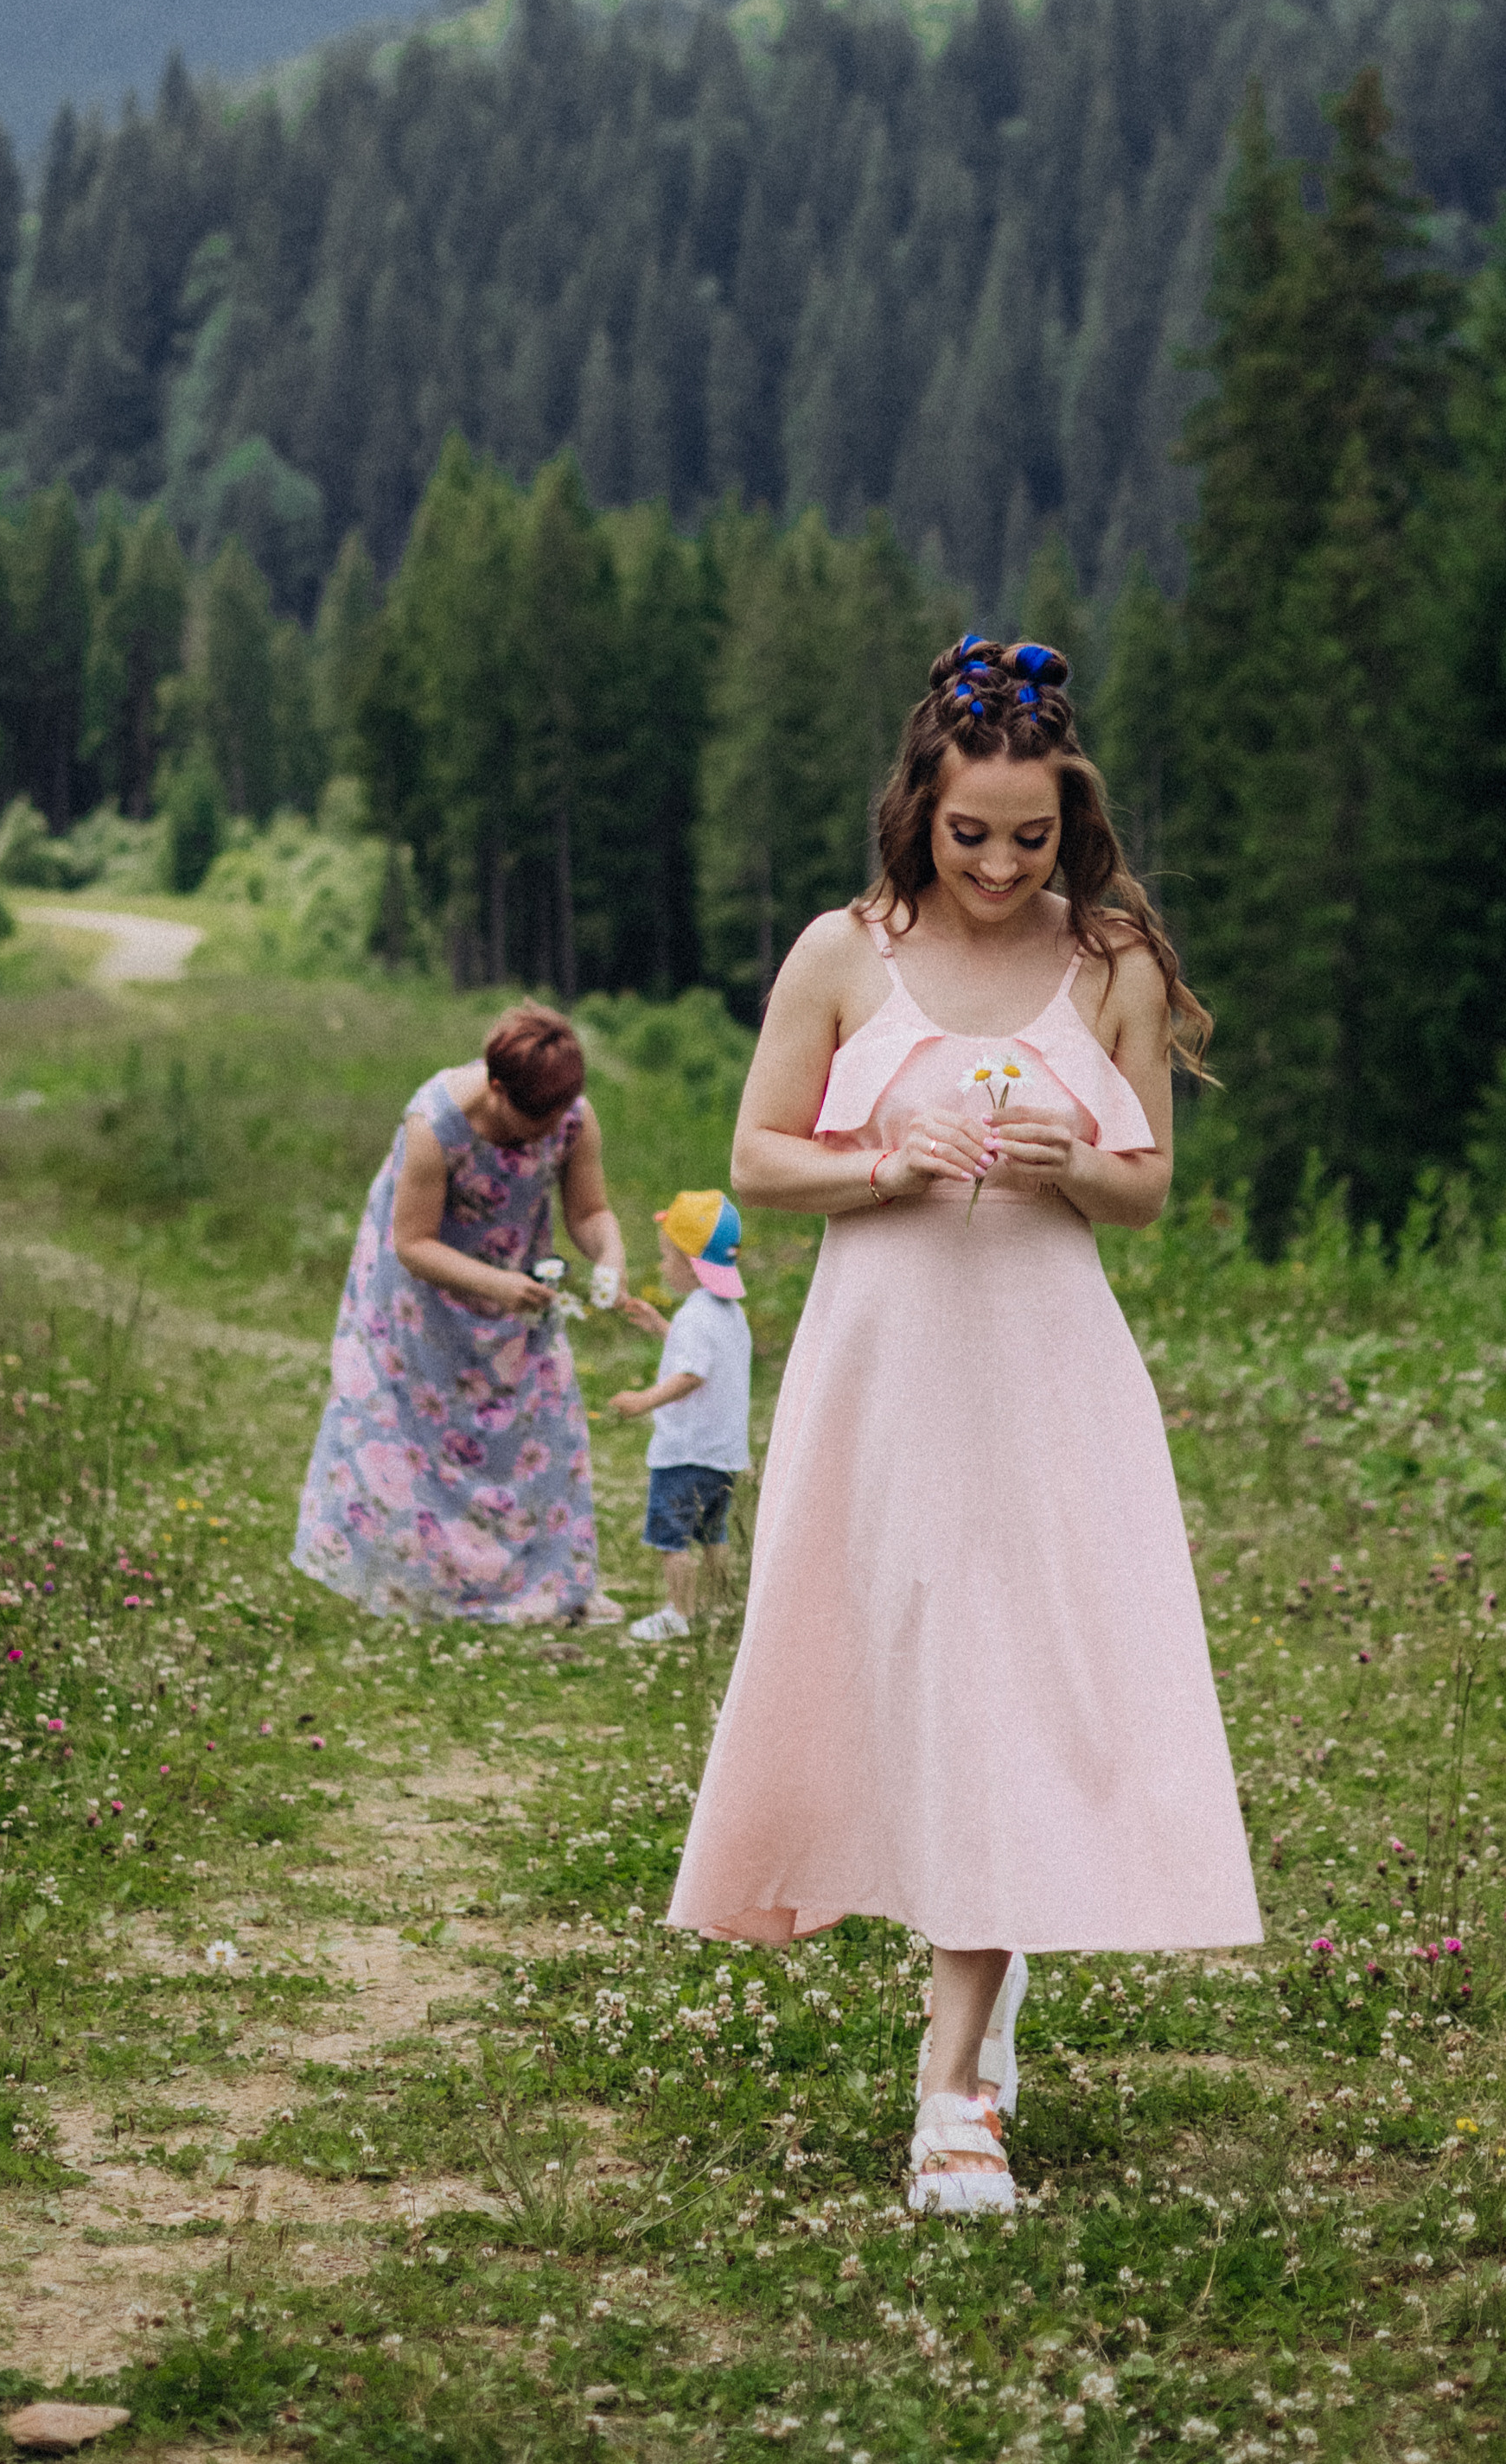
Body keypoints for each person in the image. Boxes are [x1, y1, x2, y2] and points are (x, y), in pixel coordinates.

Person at [667, 634, 1260, 2216]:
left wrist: (1068, 1150)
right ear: (915, 813)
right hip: (885, 1373)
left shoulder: (1111, 963)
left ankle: (953, 2101)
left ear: (1073, 825)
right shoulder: (841, 955)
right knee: (896, 1681)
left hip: (1044, 1376)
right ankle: (964, 2033)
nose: (999, 868)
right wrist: (886, 1155)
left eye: (1031, 839)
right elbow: (755, 1161)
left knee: (1007, 1690)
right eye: (967, 836)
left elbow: (1143, 1196)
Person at [292, 1000, 628, 1627]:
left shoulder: (570, 1118)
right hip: (422, 1298)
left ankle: (553, 1586)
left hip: (515, 1293)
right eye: (534, 1117)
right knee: (419, 1437)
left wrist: (609, 1253)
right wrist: (496, 1284)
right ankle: (428, 1586)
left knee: (544, 1426)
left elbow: (587, 1210)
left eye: (558, 1115)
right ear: (496, 1086)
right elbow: (412, 1241)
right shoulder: (435, 1124)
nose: (547, 1130)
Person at [610, 1190, 754, 1644]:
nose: (662, 1266)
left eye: (667, 1257)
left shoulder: (697, 1317)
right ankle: (721, 1602)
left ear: (690, 1262)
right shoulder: (727, 1313)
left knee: (671, 1539)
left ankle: (680, 1612)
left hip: (685, 1453)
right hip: (722, 1454)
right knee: (713, 1535)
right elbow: (707, 1357)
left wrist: (643, 1400)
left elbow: (692, 1373)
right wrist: (659, 1327)